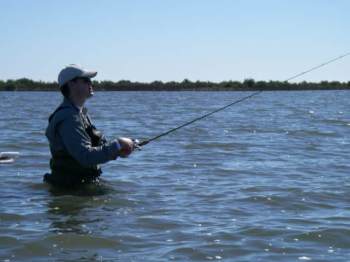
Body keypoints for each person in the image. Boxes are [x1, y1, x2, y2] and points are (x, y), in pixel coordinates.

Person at [44, 64, 135, 188]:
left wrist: (119, 150)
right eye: (86, 80)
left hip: (81, 185)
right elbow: (85, 156)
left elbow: (97, 148)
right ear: (71, 84)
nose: (90, 84)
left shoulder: (79, 113)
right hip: (71, 188)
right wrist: (117, 144)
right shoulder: (68, 117)